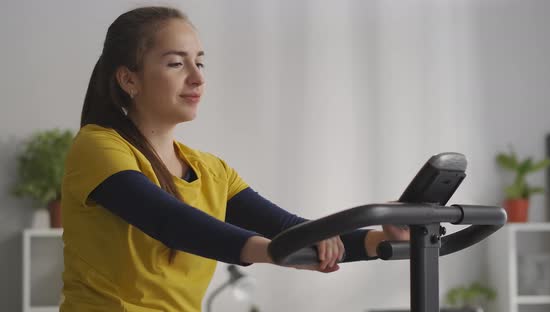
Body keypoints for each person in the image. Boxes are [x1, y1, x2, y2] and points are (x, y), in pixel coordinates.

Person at [60, 6, 410, 312]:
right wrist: (277, 252)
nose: (197, 77)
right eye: (176, 64)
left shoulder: (212, 171)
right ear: (128, 79)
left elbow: (292, 229)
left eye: (199, 62)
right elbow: (171, 222)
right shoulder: (97, 146)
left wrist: (384, 238)